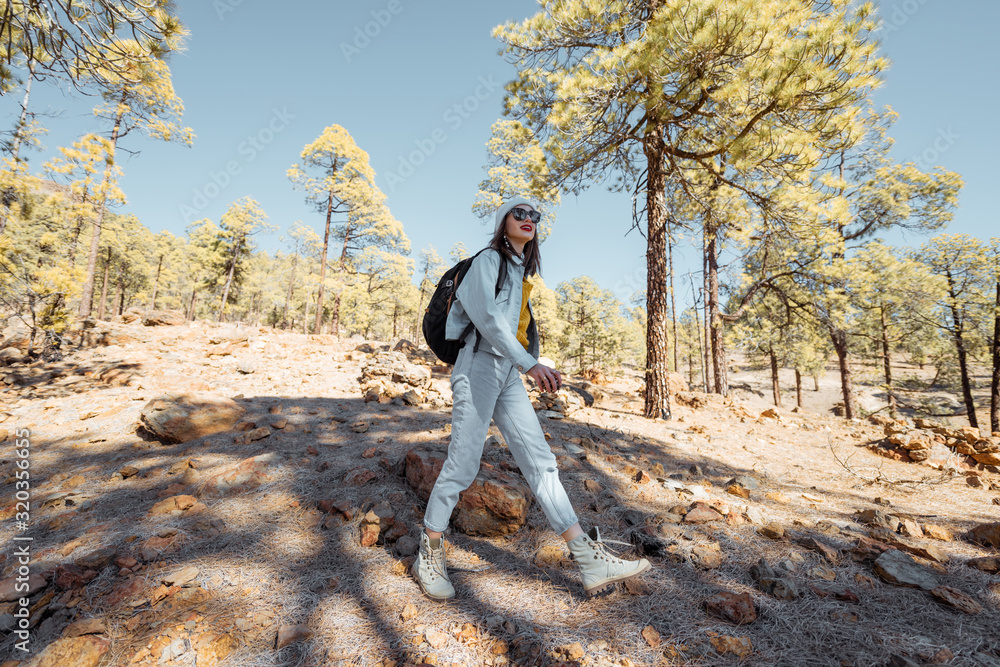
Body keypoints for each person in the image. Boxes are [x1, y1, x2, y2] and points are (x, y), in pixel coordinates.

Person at [411, 196, 651, 600]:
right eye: (518, 213)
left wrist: (533, 362)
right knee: (463, 463)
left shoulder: (522, 273)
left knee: (541, 463)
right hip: (478, 366)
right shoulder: (488, 260)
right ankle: (428, 553)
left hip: (506, 372)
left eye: (534, 216)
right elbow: (487, 320)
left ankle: (589, 560)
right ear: (503, 220)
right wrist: (529, 364)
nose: (528, 219)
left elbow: (515, 330)